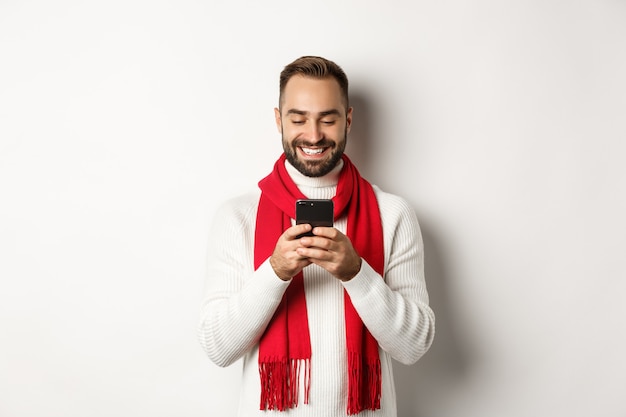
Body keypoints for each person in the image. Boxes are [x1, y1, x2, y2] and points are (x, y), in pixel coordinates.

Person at [197, 56, 435, 417]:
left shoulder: (392, 214)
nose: (313, 135)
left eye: (328, 118)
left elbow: (413, 346)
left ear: (348, 120)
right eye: (298, 119)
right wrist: (275, 271)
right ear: (278, 120)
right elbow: (218, 348)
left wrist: (357, 273)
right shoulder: (238, 217)